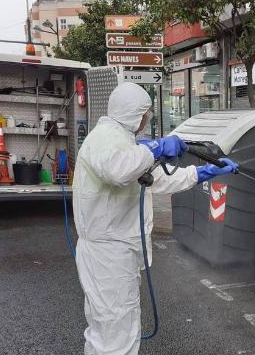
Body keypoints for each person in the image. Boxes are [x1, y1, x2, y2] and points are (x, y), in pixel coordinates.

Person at [72, 82, 238, 355]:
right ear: (134, 112)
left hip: (115, 254)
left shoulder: (123, 142)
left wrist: (203, 172)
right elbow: (119, 169)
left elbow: (157, 179)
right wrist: (156, 147)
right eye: (146, 112)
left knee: (112, 329)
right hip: (108, 256)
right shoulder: (106, 138)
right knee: (115, 336)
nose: (147, 118)